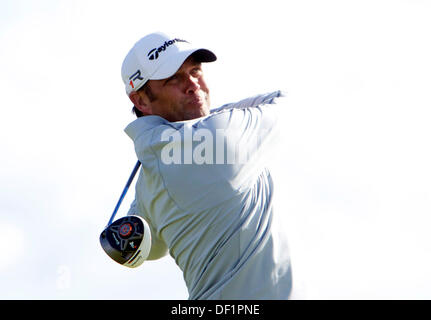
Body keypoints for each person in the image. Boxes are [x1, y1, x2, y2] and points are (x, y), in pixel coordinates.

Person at [121, 32, 292, 299]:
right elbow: (287, 104)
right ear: (141, 100)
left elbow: (150, 249)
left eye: (195, 71)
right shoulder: (222, 133)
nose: (192, 84)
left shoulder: (149, 179)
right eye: (173, 79)